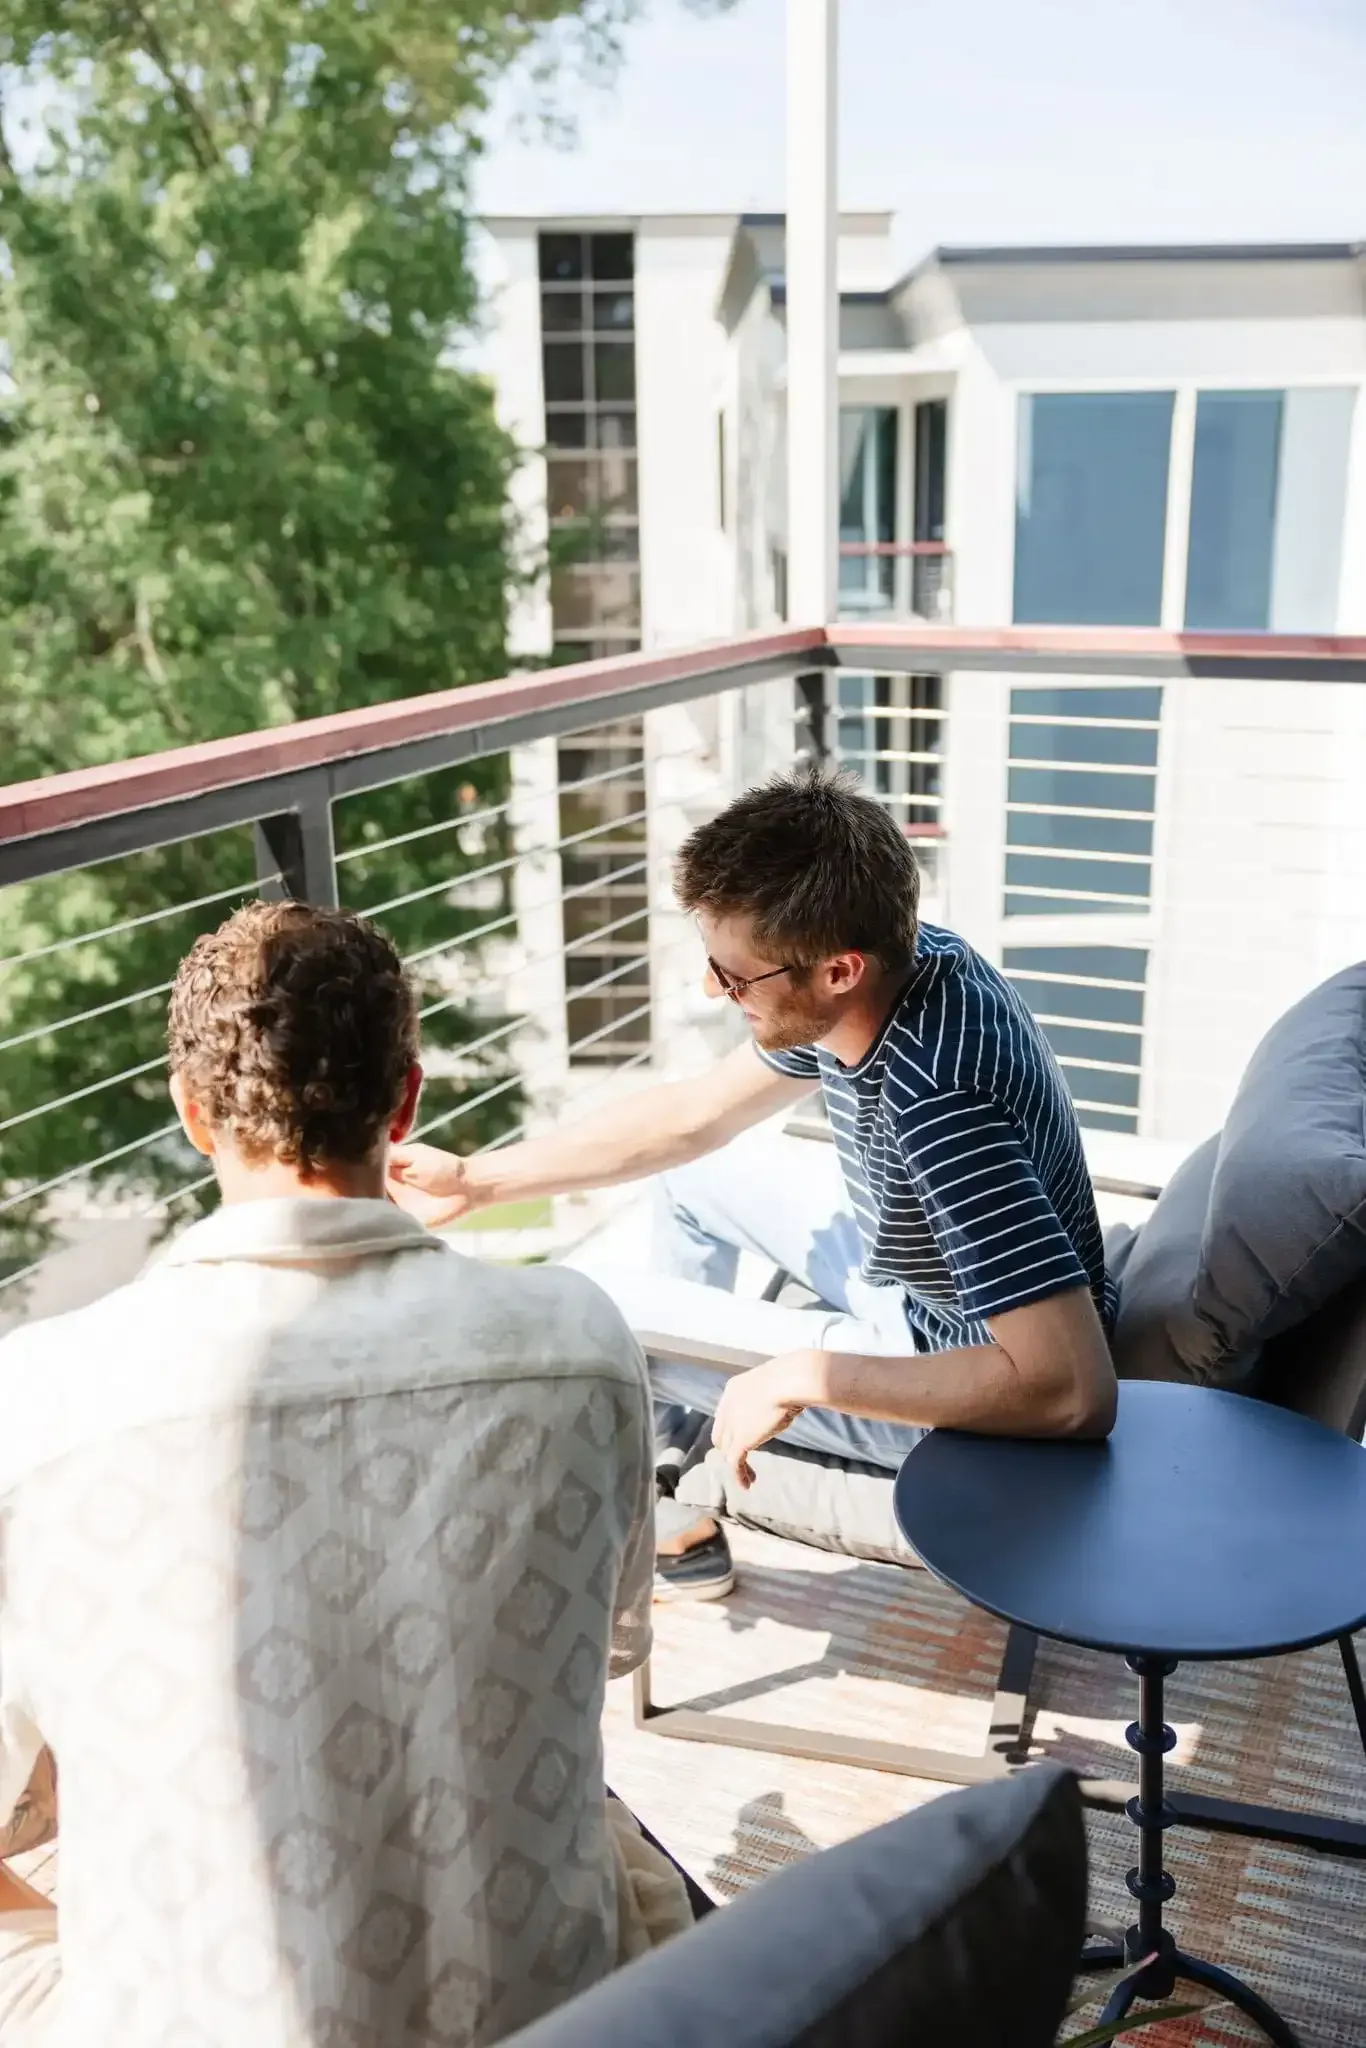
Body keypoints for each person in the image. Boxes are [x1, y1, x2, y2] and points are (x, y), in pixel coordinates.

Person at [0, 901, 690, 2047]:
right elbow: (610, 1646)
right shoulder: (579, 1337)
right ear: (405, 1099)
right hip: (549, 2006)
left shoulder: (40, 1393)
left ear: (190, 1112)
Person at [389, 766, 1120, 1602]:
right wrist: (477, 1181)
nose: (715, 989)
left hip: (968, 1374)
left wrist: (803, 1374)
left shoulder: (940, 1105)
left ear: (838, 971)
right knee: (691, 1176)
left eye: (737, 978)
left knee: (599, 1311)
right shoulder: (912, 959)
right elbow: (695, 1117)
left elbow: (1072, 1392)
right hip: (923, 1289)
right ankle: (667, 1468)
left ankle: (651, 1507)